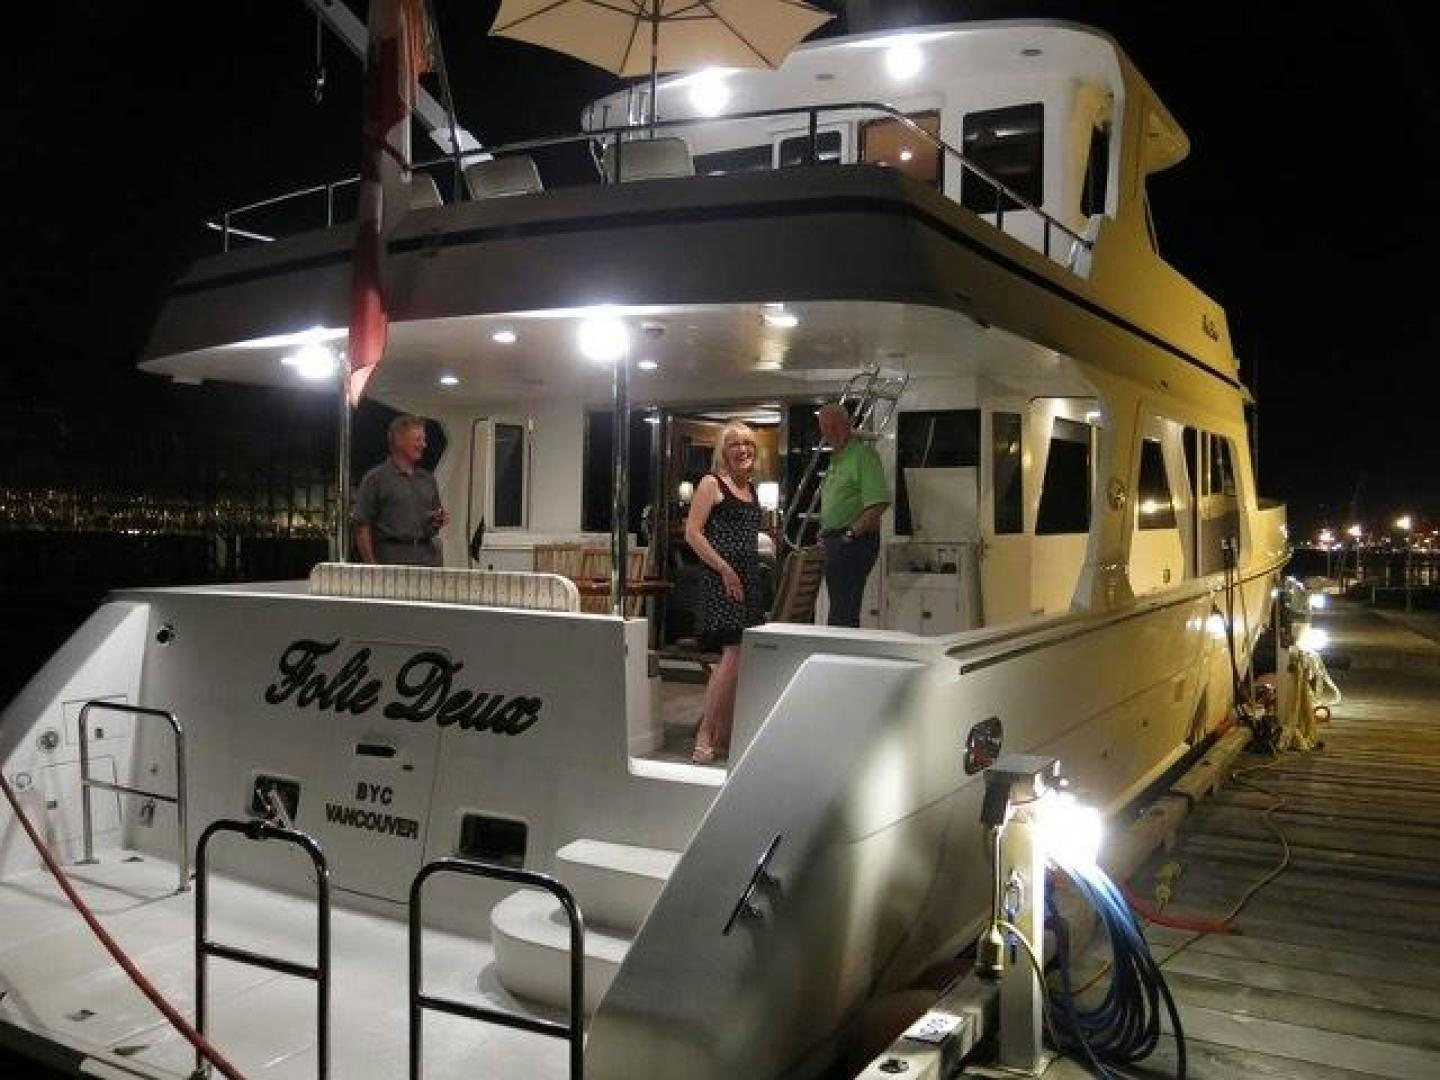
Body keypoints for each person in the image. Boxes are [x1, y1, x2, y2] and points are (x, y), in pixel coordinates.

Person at [684, 422, 765, 764]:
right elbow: (692, 533)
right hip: (722, 581)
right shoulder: (711, 484)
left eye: (748, 443)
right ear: (723, 451)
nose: (742, 449)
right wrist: (724, 568)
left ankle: (723, 734)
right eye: (734, 444)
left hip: (749, 582)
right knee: (731, 655)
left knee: (739, 658)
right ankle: (705, 733)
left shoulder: (753, 490)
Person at [816, 402, 890, 627]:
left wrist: (849, 534)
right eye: (826, 427)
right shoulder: (836, 459)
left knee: (843, 611)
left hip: (852, 543)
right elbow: (838, 502)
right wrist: (825, 531)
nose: (831, 432)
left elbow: (878, 503)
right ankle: (838, 654)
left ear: (848, 425)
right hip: (835, 541)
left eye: (836, 426)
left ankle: (841, 657)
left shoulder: (863, 455)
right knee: (839, 607)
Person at [353, 415, 450, 566]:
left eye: (424, 440)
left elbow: (432, 526)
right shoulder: (375, 479)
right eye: (418, 439)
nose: (424, 445)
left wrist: (438, 521)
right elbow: (361, 526)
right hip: (391, 560)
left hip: (427, 560)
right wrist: (372, 566)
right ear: (399, 441)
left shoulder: (428, 479)